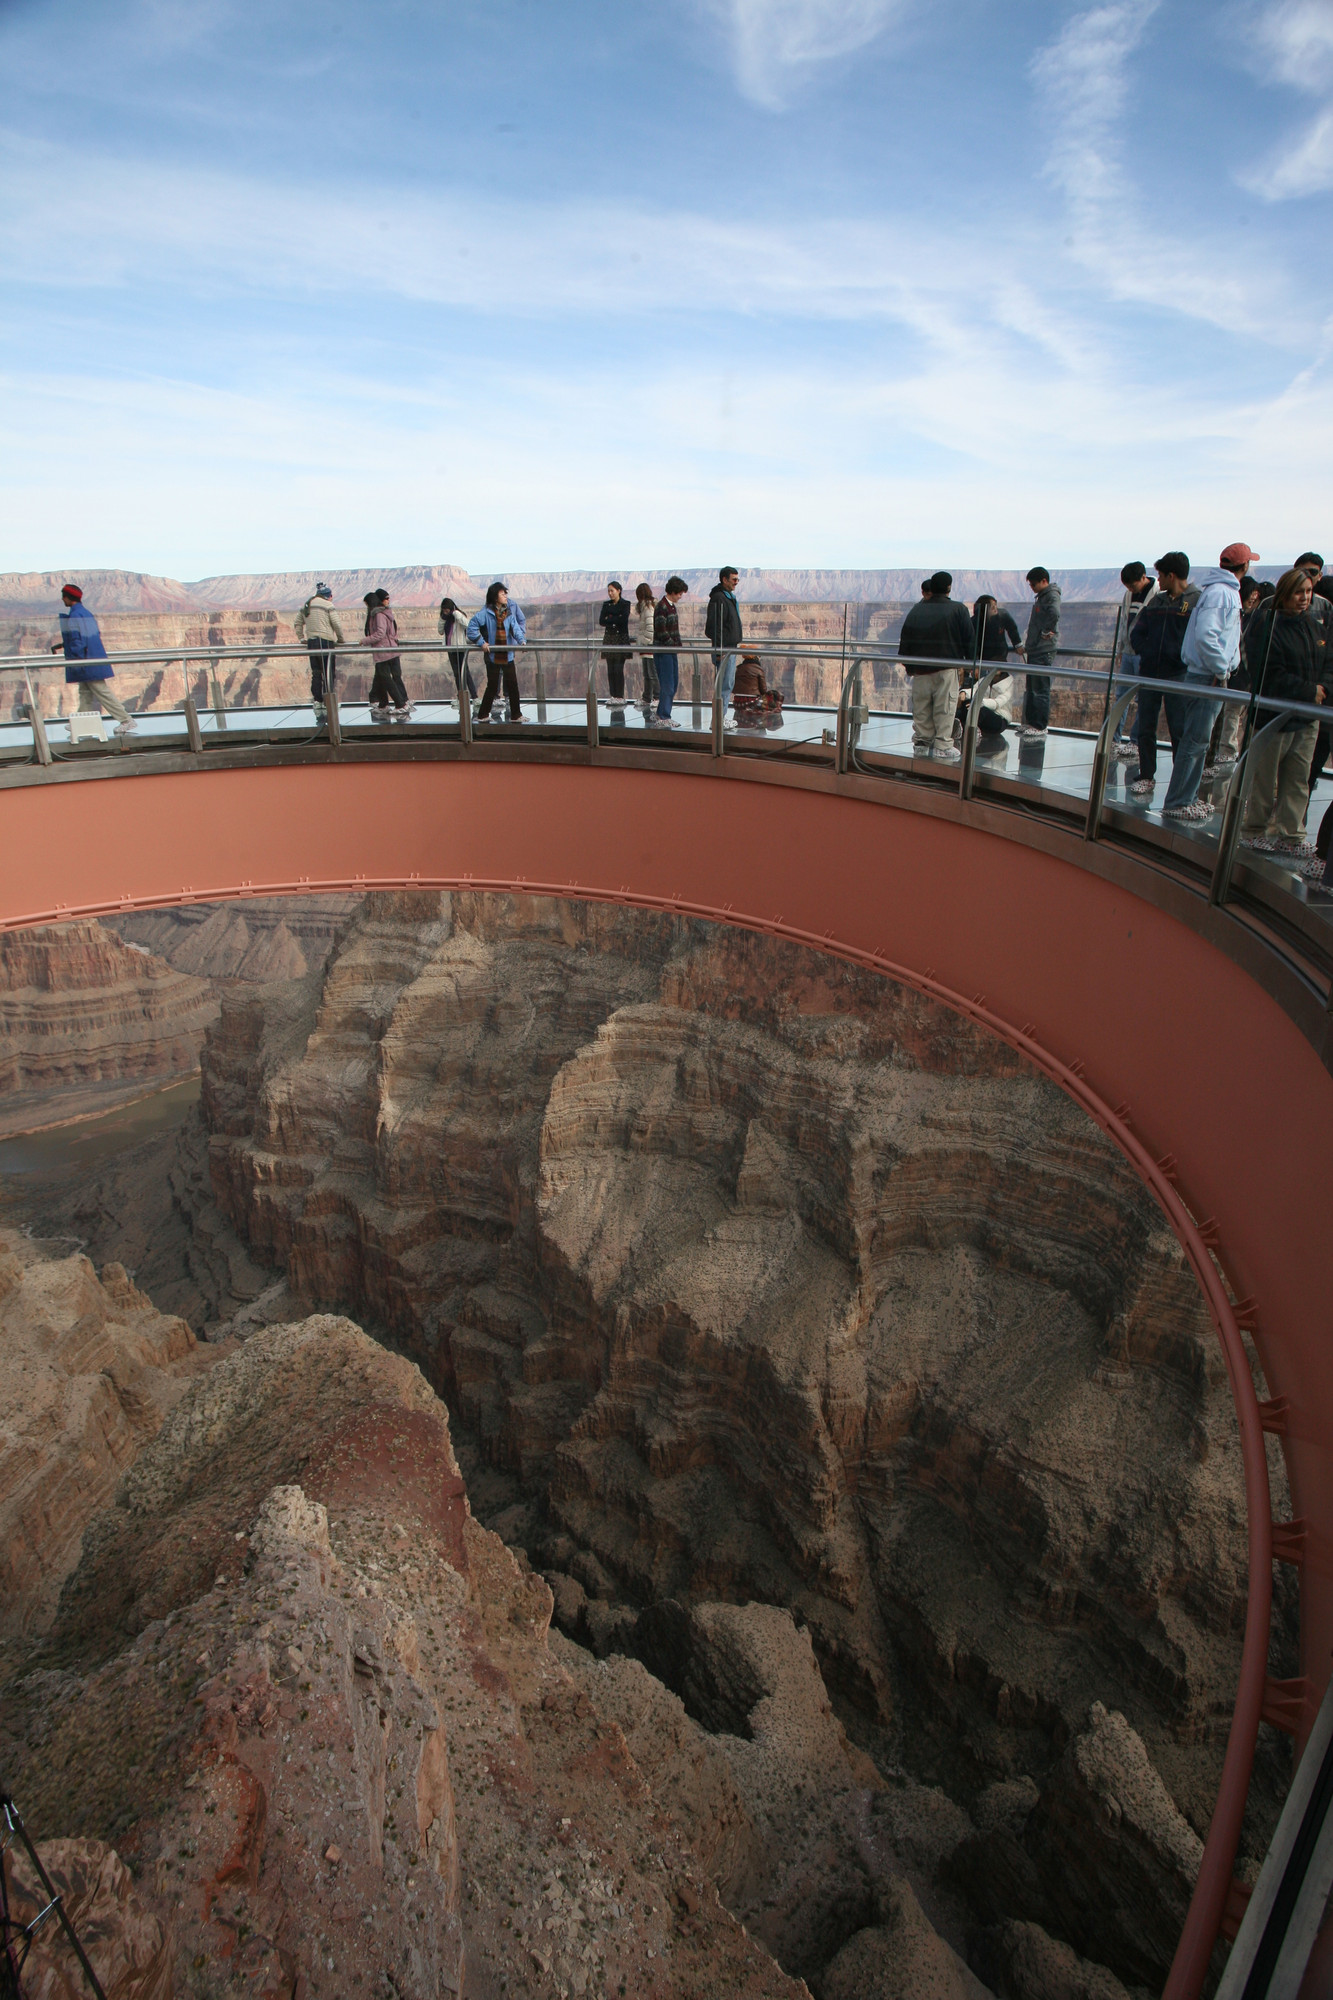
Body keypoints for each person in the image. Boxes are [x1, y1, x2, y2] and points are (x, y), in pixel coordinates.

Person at [1160, 542, 1256, 821]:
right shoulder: (1222, 594)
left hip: (1207, 675)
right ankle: (1178, 801)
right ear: (1245, 566)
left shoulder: (1219, 591)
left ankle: (1187, 798)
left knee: (1199, 741)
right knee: (1195, 740)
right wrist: (1222, 670)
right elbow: (1206, 636)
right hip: (1208, 677)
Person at [1238, 566, 1325, 858]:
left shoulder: (1313, 625)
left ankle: (1291, 835)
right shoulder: (1266, 624)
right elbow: (1269, 675)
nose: (1304, 598)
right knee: (1264, 779)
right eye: (1298, 592)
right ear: (1284, 594)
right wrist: (1309, 691)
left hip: (1306, 719)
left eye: (1309, 592)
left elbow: (1327, 662)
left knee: (1298, 779)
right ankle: (1253, 831)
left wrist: (1323, 689)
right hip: (1272, 718)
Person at [1126, 553, 1197, 796]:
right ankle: (1146, 775)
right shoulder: (1156, 603)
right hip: (1150, 674)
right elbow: (1136, 633)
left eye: (1161, 575)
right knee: (1146, 726)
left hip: (1179, 675)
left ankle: (1180, 781)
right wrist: (1146, 650)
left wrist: (1178, 656)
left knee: (1179, 729)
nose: (1158, 580)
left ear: (1171, 575)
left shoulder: (1196, 602)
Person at [897, 571, 975, 762]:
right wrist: (971, 662)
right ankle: (942, 745)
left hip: (921, 669)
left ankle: (922, 744)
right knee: (944, 707)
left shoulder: (917, 609)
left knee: (922, 707)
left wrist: (909, 665)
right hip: (946, 667)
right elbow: (969, 640)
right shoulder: (958, 609)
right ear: (949, 587)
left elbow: (905, 637)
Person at [49, 584, 136, 734]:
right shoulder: (85, 613)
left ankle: (126, 720)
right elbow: (86, 636)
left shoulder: (75, 615)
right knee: (85, 692)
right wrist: (63, 645)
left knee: (101, 691)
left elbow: (78, 640)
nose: (62, 599)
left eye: (63, 596)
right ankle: (80, 722)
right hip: (91, 657)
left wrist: (74, 658)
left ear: (68, 597)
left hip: (86, 661)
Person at [1112, 562, 1157, 755]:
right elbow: (1124, 622)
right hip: (1128, 652)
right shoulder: (1129, 594)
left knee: (1142, 699)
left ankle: (1135, 741)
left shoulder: (1156, 593)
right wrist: (1120, 649)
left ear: (1143, 578)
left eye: (1132, 585)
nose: (1130, 589)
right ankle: (1113, 739)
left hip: (1143, 654)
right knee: (1121, 695)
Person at [467, 581, 527, 722]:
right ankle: (482, 715)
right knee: (492, 686)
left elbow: (515, 628)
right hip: (493, 655)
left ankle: (516, 715)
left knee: (513, 685)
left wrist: (522, 641)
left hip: (508, 654)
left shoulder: (508, 613)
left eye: (505, 593)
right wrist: (481, 642)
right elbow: (471, 628)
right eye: (502, 594)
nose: (505, 596)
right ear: (495, 597)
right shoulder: (485, 614)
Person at [1020, 567, 1061, 738]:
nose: (1032, 587)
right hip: (1035, 649)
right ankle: (1031, 722)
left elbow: (1054, 614)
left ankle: (1040, 725)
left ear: (1044, 580)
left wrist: (1045, 632)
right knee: (1031, 688)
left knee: (1040, 689)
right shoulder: (1043, 597)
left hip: (1043, 651)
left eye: (1034, 584)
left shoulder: (1051, 596)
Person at [294, 583, 345, 717]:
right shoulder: (328, 605)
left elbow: (297, 622)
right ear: (328, 596)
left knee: (316, 672)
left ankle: (317, 701)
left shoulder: (307, 605)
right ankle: (329, 702)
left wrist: (301, 638)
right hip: (326, 642)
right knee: (328, 672)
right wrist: (340, 639)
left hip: (312, 643)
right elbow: (336, 624)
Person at [364, 589, 411, 720]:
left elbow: (380, 633)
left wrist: (365, 641)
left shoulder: (378, 615)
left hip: (384, 650)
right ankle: (383, 704)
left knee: (386, 679)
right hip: (389, 649)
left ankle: (400, 703)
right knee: (381, 677)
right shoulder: (385, 613)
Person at [651, 577, 689, 728]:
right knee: (668, 684)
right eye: (679, 593)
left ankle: (661, 713)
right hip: (664, 651)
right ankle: (664, 716)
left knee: (673, 682)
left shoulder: (671, 606)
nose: (681, 596)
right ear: (673, 592)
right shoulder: (662, 607)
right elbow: (661, 631)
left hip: (671, 650)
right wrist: (672, 644)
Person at [705, 567, 743, 707]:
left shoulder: (727, 597)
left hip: (730, 648)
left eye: (737, 579)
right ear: (724, 579)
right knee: (724, 685)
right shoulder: (719, 598)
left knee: (727, 684)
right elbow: (713, 626)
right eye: (733, 579)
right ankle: (719, 719)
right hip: (724, 649)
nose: (736, 582)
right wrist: (719, 649)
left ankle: (720, 717)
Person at [598, 581, 632, 706]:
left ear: (619, 590)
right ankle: (613, 695)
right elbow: (601, 620)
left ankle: (620, 696)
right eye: (608, 591)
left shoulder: (625, 604)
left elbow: (623, 620)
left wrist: (610, 619)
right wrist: (614, 619)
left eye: (612, 590)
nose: (610, 593)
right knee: (610, 669)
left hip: (620, 639)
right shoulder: (606, 605)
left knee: (618, 668)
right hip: (609, 639)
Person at [438, 597, 477, 705]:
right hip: (450, 649)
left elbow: (467, 625)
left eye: (447, 609)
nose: (445, 611)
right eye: (443, 610)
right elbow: (440, 631)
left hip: (460, 648)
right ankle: (460, 697)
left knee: (465, 673)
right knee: (456, 674)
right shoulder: (445, 619)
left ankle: (474, 697)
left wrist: (457, 615)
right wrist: (442, 618)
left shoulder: (458, 616)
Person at [732, 653, 783, 719]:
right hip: (752, 703)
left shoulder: (739, 668)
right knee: (775, 694)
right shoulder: (758, 669)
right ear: (756, 657)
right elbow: (763, 690)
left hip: (737, 703)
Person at [633, 583, 658, 708]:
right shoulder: (645, 607)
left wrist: (644, 641)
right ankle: (647, 697)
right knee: (647, 674)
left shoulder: (648, 608)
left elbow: (650, 628)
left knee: (652, 673)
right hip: (646, 646)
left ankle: (657, 697)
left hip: (649, 646)